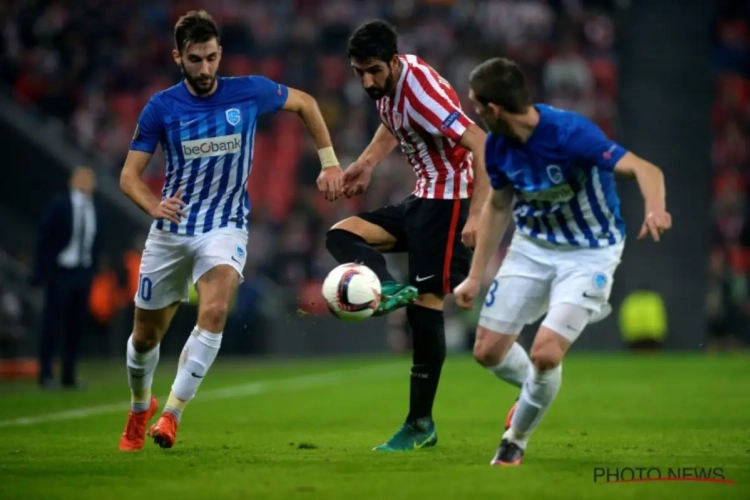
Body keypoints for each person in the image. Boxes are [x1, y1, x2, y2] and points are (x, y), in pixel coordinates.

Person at [117, 9, 343, 452]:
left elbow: (307, 104)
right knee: (145, 338)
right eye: (196, 59)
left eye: (212, 58)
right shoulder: (161, 107)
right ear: (178, 57)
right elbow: (129, 176)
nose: (205, 69)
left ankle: (172, 415)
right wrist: (153, 203)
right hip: (172, 228)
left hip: (225, 224)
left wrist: (330, 161)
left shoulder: (249, 92)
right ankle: (139, 408)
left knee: (216, 310)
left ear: (221, 54)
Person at [453, 57, 672, 466]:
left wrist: (655, 208)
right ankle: (538, 387)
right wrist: (474, 276)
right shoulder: (497, 147)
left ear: (494, 109)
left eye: (476, 105)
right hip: (532, 247)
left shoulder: (571, 134)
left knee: (546, 353)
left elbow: (646, 169)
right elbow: (499, 205)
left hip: (590, 252)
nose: (474, 112)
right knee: (486, 351)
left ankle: (515, 439)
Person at [325, 20, 491, 452]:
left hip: (451, 200)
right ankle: (386, 288)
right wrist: (366, 163)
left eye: (374, 71)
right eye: (359, 71)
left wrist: (477, 215)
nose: (367, 80)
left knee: (426, 307)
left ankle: (420, 424)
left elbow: (482, 144)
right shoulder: (390, 86)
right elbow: (392, 122)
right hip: (421, 196)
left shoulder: (420, 92)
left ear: (394, 62)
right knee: (342, 235)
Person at [31, 166, 101, 390]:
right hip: (61, 271)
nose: (85, 181)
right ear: (71, 181)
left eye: (89, 177)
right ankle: (46, 374)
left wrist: (92, 271)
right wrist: (43, 270)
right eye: (80, 177)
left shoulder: (97, 210)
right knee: (52, 323)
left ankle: (69, 374)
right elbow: (44, 238)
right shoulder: (59, 205)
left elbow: (97, 243)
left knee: (77, 325)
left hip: (83, 273)